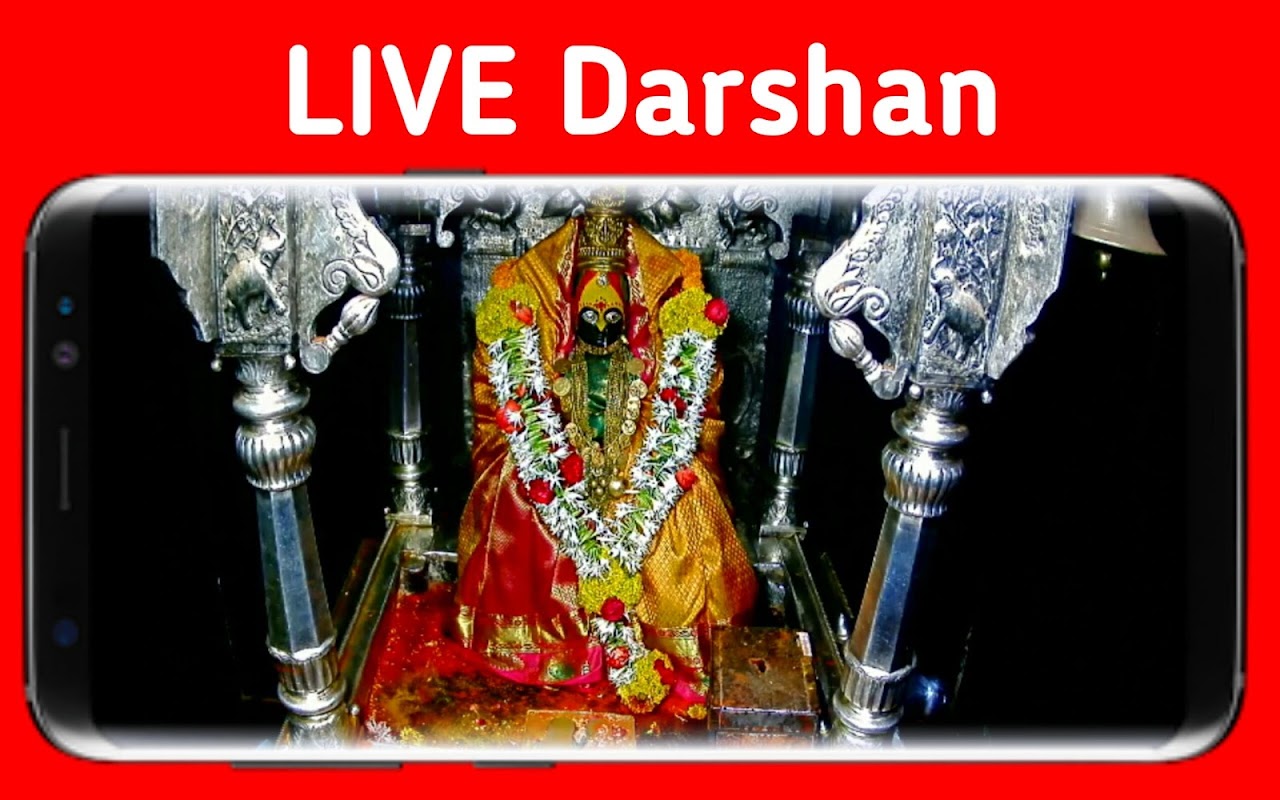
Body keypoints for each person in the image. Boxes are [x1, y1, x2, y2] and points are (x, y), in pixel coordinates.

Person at [452, 188, 757, 716]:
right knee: (519, 491)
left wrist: (639, 455)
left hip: (640, 467)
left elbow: (691, 417)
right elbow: (510, 413)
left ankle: (661, 646)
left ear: (631, 308)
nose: (599, 317)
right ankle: (555, 648)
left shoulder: (646, 358)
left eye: (610, 306)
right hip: (560, 467)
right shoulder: (556, 359)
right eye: (588, 307)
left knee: (683, 501)